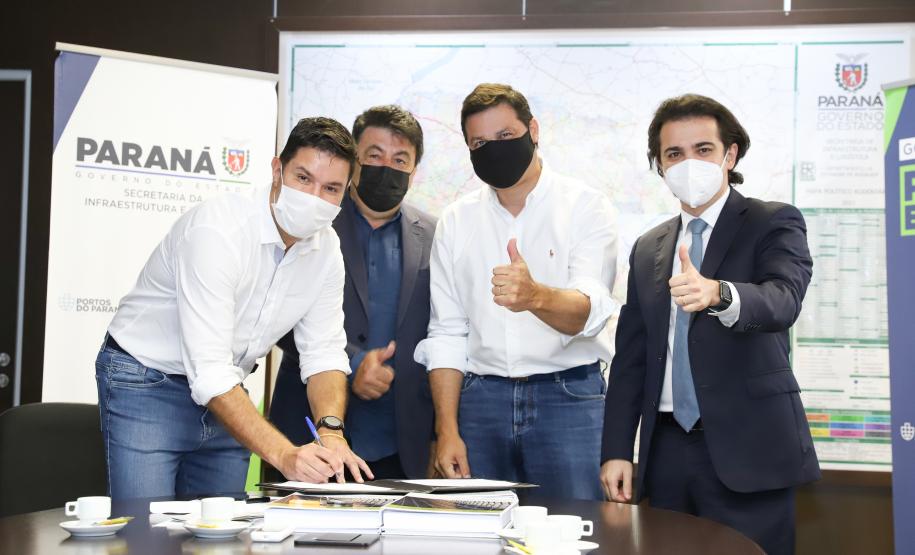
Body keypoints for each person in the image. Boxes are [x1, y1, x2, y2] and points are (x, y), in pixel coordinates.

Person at [95, 117, 372, 500]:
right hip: (147, 380)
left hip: (228, 390)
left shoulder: (326, 251)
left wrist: (330, 433)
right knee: (146, 533)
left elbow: (324, 351)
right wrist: (285, 455)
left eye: (331, 188)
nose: (314, 198)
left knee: (221, 531)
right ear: (277, 170)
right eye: (303, 178)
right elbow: (208, 369)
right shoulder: (218, 230)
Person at [600, 94, 820, 555]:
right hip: (666, 454)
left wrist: (720, 293)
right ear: (659, 166)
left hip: (750, 449)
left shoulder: (772, 221)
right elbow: (632, 359)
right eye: (673, 154)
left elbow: (783, 300)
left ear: (730, 154)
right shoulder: (647, 247)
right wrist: (618, 449)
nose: (688, 163)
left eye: (703, 149)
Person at [415, 83, 618, 500]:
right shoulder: (455, 221)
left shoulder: (584, 206)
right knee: (480, 535)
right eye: (479, 142)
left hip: (568, 397)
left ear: (534, 130)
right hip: (479, 401)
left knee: (577, 532)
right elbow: (446, 333)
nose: (494, 149)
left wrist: (535, 297)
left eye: (505, 136)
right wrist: (447, 429)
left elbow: (591, 310)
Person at [270, 105, 436, 479]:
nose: (386, 167)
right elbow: (275, 315)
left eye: (400, 159)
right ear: (354, 161)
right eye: (374, 155)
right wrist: (355, 363)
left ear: (414, 171)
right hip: (308, 433)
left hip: (402, 442)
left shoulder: (435, 235)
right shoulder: (311, 218)